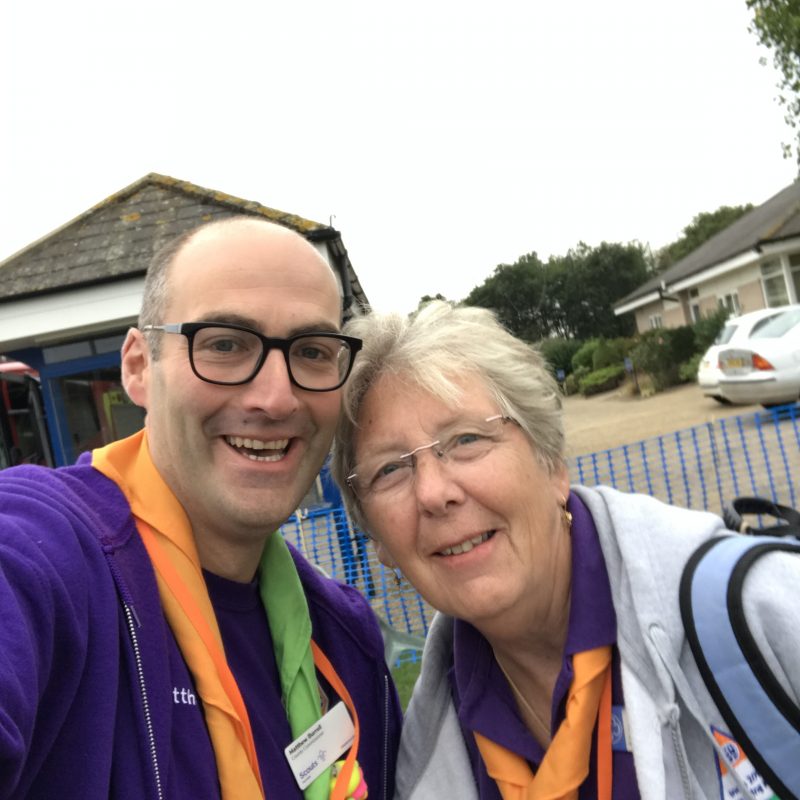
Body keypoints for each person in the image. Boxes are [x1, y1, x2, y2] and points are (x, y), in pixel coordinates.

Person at [331, 300, 800, 800]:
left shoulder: (762, 608)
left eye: (466, 439)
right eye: (389, 470)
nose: (432, 492)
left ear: (552, 462)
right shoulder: (423, 755)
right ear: (376, 539)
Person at [0, 217, 401, 800]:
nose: (276, 398)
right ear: (139, 366)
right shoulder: (50, 552)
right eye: (225, 344)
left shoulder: (345, 641)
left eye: (312, 352)